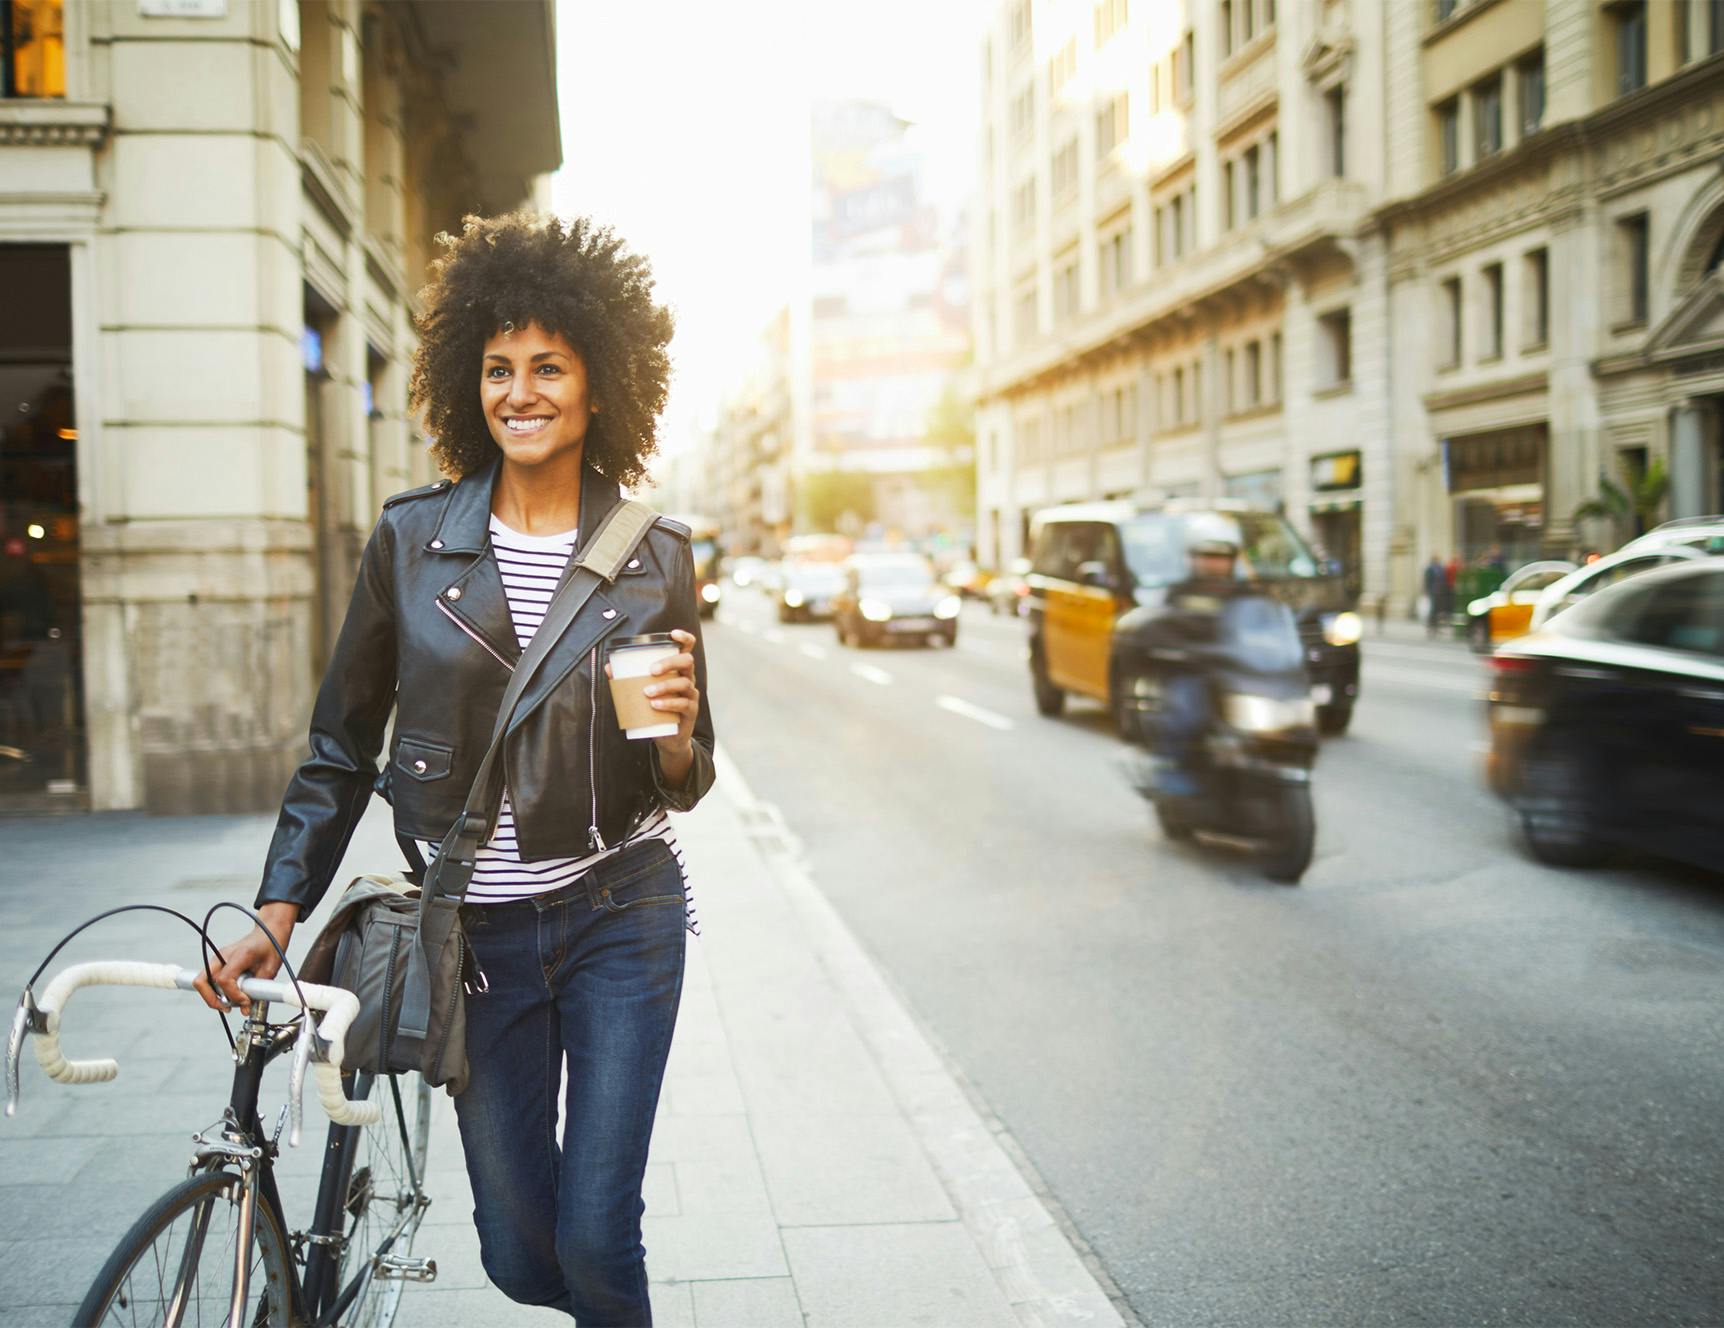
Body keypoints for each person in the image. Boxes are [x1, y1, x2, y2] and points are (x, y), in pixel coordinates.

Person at [195, 212, 715, 1326]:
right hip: (472, 936)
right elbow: (341, 741)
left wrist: (673, 738)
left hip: (623, 910)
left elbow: (686, 768)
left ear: (597, 383)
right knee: (521, 1253)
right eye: (497, 368)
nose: (519, 391)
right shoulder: (410, 539)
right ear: (465, 382)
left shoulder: (652, 554)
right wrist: (278, 907)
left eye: (548, 366)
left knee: (595, 1232)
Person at [1135, 517, 1251, 798]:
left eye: (1221, 557)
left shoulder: (1244, 595)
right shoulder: (1181, 593)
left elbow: (1266, 626)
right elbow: (1158, 629)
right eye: (1208, 556)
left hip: (1237, 676)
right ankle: (1172, 774)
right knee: (1185, 713)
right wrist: (1172, 651)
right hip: (1193, 673)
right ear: (1194, 559)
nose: (1214, 563)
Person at [1423, 554, 1449, 637]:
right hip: (1433, 591)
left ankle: (1437, 627)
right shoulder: (1430, 568)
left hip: (1440, 591)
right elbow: (1427, 580)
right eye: (1436, 559)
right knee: (1433, 610)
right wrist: (1427, 591)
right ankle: (1431, 626)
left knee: (1438, 610)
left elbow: (1444, 579)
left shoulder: (1441, 568)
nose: (1437, 560)